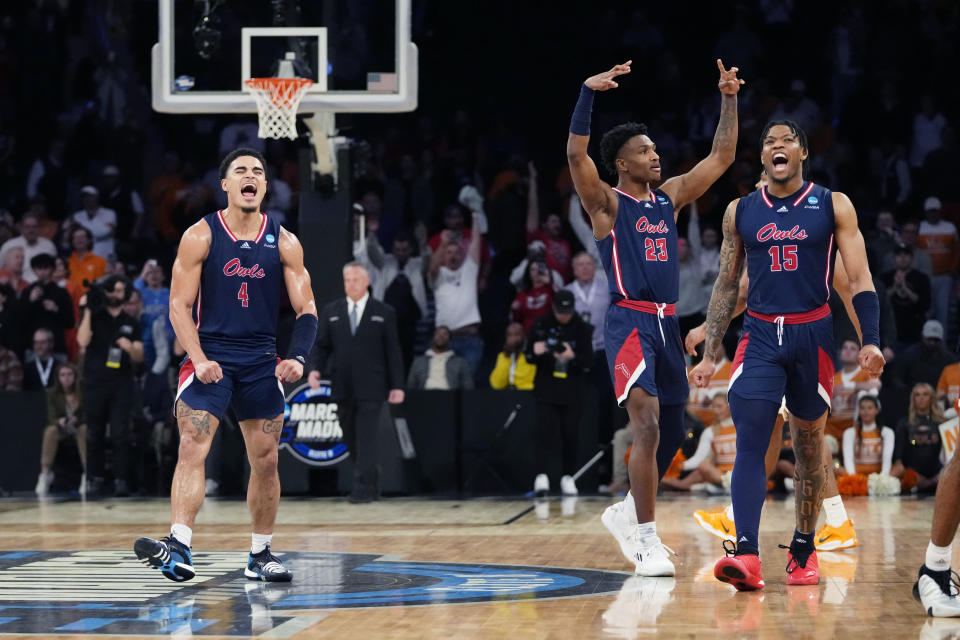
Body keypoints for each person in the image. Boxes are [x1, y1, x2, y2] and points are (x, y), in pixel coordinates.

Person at [690, 119, 884, 590]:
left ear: (802, 154)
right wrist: (709, 351)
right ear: (761, 158)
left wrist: (871, 339)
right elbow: (728, 286)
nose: (778, 146)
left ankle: (803, 547)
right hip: (759, 338)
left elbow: (858, 280)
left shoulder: (832, 205)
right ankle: (748, 555)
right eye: (769, 142)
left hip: (812, 335)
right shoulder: (740, 212)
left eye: (787, 140)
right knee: (752, 442)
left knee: (809, 449)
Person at [567, 58, 742, 575]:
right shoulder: (606, 204)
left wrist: (728, 97)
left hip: (667, 325)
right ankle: (645, 538)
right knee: (644, 425)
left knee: (673, 432)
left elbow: (722, 155)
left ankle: (626, 511)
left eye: (654, 148)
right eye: (644, 151)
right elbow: (576, 153)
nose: (655, 155)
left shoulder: (668, 200)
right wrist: (587, 93)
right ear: (622, 164)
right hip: (628, 322)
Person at [134, 148, 318, 584]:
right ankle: (179, 546)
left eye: (258, 171)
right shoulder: (200, 235)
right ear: (226, 184)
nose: (250, 176)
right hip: (211, 353)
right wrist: (198, 360)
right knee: (192, 443)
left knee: (267, 459)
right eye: (241, 171)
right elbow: (178, 306)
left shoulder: (285, 241)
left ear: (265, 186)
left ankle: (260, 554)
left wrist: (296, 356)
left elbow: (307, 307)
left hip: (259, 359)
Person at [308, 262, 404, 503]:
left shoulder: (383, 312)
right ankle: (371, 476)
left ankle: (361, 490)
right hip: (342, 385)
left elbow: (393, 351)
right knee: (348, 436)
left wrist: (397, 385)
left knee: (366, 437)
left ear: (367, 282)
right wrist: (314, 370)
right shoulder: (332, 311)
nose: (351, 285)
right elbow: (321, 346)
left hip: (372, 386)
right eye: (347, 280)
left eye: (356, 280)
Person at [76, 275, 143, 498]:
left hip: (121, 383)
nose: (115, 294)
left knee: (119, 433)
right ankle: (94, 479)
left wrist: (129, 348)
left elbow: (140, 355)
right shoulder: (95, 316)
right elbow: (82, 341)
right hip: (94, 382)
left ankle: (121, 480)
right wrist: (86, 310)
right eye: (112, 290)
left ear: (125, 294)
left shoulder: (131, 322)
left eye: (120, 291)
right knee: (94, 433)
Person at [525, 290, 593, 496]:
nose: (564, 315)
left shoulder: (582, 328)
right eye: (560, 311)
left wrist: (573, 356)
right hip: (547, 388)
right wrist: (538, 350)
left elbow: (589, 361)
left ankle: (568, 476)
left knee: (570, 433)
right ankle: (541, 476)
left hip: (572, 389)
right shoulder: (540, 325)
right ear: (554, 308)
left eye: (568, 311)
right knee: (544, 432)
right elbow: (528, 355)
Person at [429, 199, 485, 374]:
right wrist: (444, 243)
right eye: (449, 252)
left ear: (462, 255)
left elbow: (476, 243)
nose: (453, 256)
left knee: (468, 389)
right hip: (445, 341)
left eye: (457, 252)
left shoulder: (469, 270)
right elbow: (432, 266)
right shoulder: (438, 276)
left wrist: (475, 213)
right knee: (444, 389)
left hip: (470, 339)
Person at [660, 394, 735, 491]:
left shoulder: (741, 427)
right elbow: (698, 459)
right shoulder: (710, 432)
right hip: (720, 473)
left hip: (739, 472)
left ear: (730, 407)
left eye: (719, 406)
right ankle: (666, 482)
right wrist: (677, 465)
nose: (716, 411)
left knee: (702, 469)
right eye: (714, 407)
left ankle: (715, 487)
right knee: (702, 468)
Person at [35, 362, 86, 497]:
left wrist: (77, 420)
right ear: (58, 378)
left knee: (84, 430)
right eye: (63, 375)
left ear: (75, 376)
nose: (66, 378)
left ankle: (87, 474)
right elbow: (51, 416)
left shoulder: (82, 392)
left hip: (78, 427)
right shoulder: (52, 393)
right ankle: (45, 473)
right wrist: (59, 421)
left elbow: (88, 414)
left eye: (69, 374)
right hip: (62, 428)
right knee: (50, 430)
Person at [892, 382, 944, 492]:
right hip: (913, 476)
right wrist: (915, 441)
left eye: (925, 394)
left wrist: (941, 476)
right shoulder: (904, 424)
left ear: (932, 398)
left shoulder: (942, 423)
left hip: (939, 475)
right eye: (917, 395)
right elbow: (900, 453)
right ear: (913, 398)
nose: (921, 398)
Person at [20, 253, 74, 356]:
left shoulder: (61, 292)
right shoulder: (27, 291)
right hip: (32, 347)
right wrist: (30, 301)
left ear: (52, 269)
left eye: (46, 268)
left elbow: (70, 323)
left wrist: (56, 309)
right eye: (38, 268)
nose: (42, 272)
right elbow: (19, 321)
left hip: (56, 347)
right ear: (34, 270)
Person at [881, 244, 931, 346]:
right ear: (894, 258)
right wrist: (895, 287)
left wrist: (905, 288)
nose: (903, 258)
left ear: (912, 258)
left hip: (914, 331)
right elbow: (879, 303)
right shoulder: (884, 278)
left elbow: (925, 304)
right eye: (899, 255)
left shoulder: (922, 278)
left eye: (906, 254)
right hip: (891, 330)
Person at [407, 326, 473, 390]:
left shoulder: (460, 362)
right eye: (438, 334)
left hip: (450, 397)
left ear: (450, 340)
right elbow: (411, 386)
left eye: (445, 334)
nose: (441, 336)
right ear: (432, 338)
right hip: (425, 397)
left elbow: (468, 386)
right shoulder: (419, 362)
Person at [842, 394, 894, 476]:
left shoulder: (887, 432)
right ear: (858, 411)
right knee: (836, 469)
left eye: (870, 408)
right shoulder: (849, 433)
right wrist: (854, 480)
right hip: (857, 475)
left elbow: (887, 458)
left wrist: (882, 479)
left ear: (876, 410)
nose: (866, 411)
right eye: (862, 408)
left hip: (878, 476)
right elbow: (848, 459)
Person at [0, 211, 56, 283]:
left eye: (34, 227)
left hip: (43, 288)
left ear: (39, 228)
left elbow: (54, 271)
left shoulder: (49, 246)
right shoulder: (9, 245)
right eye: (27, 226)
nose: (31, 230)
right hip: (15, 288)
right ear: (21, 227)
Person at [70, 185, 117, 260]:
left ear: (96, 197)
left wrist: (82, 227)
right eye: (84, 197)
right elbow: (76, 235)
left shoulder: (110, 213)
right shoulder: (77, 216)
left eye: (90, 196)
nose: (87, 199)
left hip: (105, 254)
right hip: (84, 256)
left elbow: (106, 232)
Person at [510, 259, 555, 332]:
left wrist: (548, 283)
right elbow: (518, 319)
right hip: (529, 332)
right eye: (533, 270)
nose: (536, 273)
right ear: (528, 273)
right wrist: (515, 310)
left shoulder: (551, 289)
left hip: (548, 330)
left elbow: (557, 305)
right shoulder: (522, 294)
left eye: (539, 270)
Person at [488, 322, 536, 390]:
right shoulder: (503, 356)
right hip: (509, 394)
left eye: (516, 334)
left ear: (524, 335)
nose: (513, 338)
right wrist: (507, 357)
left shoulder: (531, 354)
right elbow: (496, 384)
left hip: (527, 394)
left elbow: (526, 382)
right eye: (509, 335)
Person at [67, 226, 107, 293]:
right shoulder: (67, 262)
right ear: (72, 241)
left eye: (82, 237)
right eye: (76, 237)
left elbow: (101, 285)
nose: (79, 239)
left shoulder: (101, 261)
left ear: (89, 240)